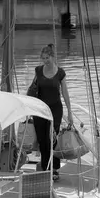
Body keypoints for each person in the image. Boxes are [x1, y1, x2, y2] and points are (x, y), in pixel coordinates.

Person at [28, 44, 73, 181]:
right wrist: (28, 107)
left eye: (47, 58)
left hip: (55, 109)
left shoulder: (60, 73)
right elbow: (32, 89)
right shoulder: (38, 71)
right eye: (43, 58)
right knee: (43, 140)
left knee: (53, 139)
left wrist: (70, 112)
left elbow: (65, 93)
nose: (45, 61)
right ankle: (46, 168)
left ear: (53, 57)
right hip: (40, 110)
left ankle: (54, 169)